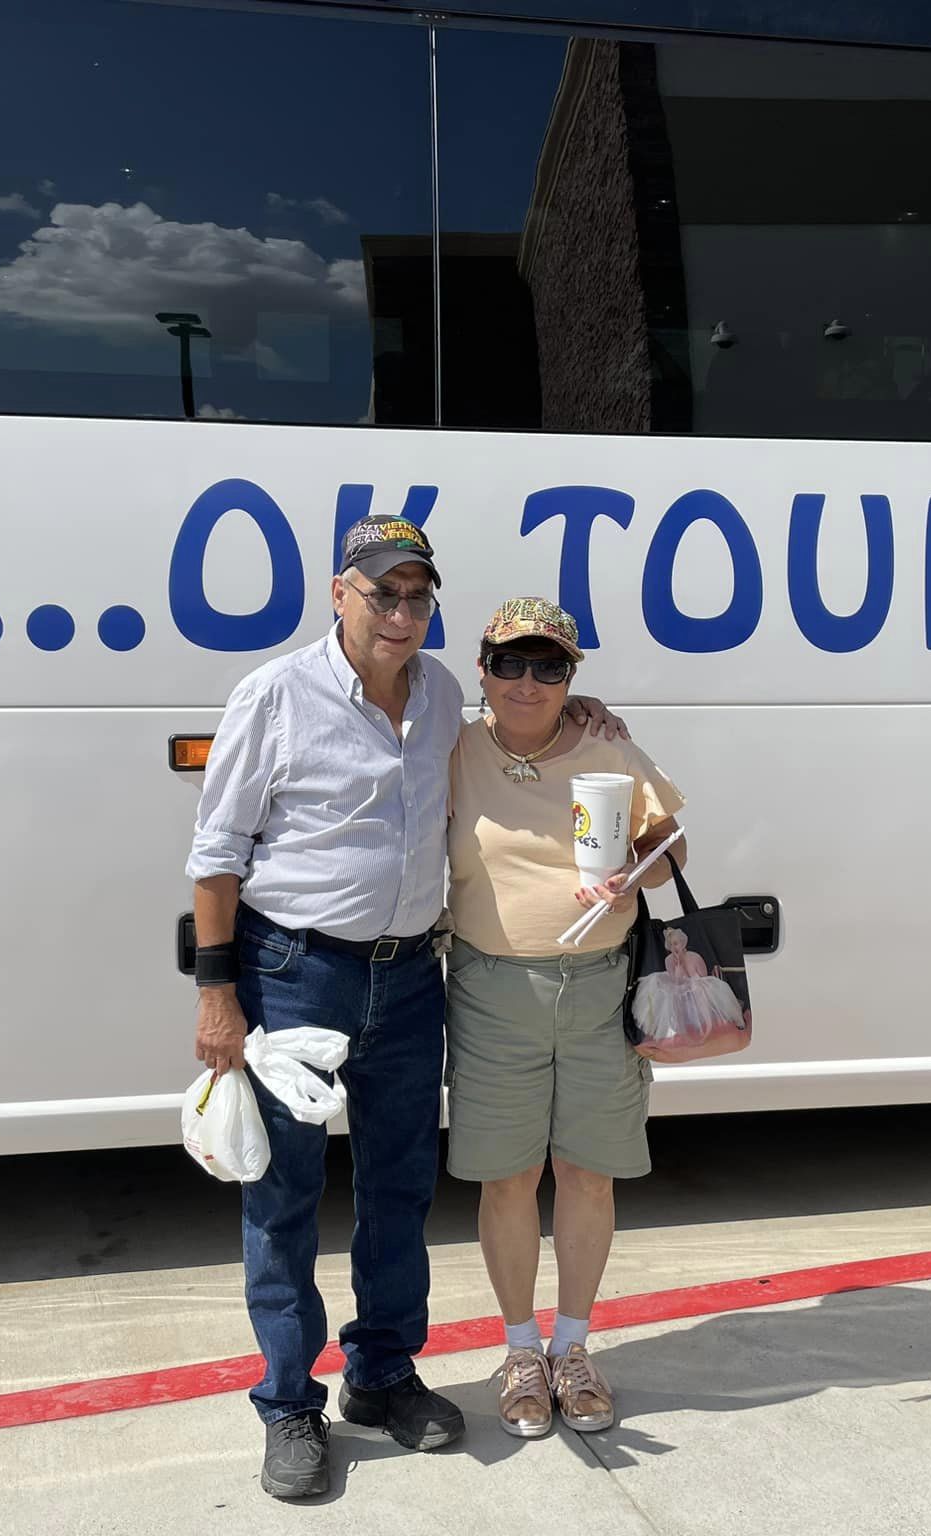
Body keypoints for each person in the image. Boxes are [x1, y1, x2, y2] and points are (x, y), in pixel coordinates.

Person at [185, 520, 621, 1500]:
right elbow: (216, 857)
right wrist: (218, 997)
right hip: (293, 972)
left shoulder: (437, 696)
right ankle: (289, 1402)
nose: (400, 613)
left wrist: (574, 714)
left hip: (407, 977)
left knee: (397, 1190)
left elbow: (518, 734)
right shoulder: (274, 694)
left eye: (417, 597)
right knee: (285, 1197)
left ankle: (380, 1376)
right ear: (338, 594)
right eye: (382, 594)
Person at [442, 597, 685, 1439]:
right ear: (483, 669)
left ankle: (574, 1348)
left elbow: (672, 846)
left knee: (587, 1171)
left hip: (598, 985)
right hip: (490, 987)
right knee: (507, 1176)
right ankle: (519, 1351)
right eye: (510, 663)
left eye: (550, 667)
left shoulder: (605, 744)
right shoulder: (453, 748)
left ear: (572, 677)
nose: (527, 681)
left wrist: (630, 871)